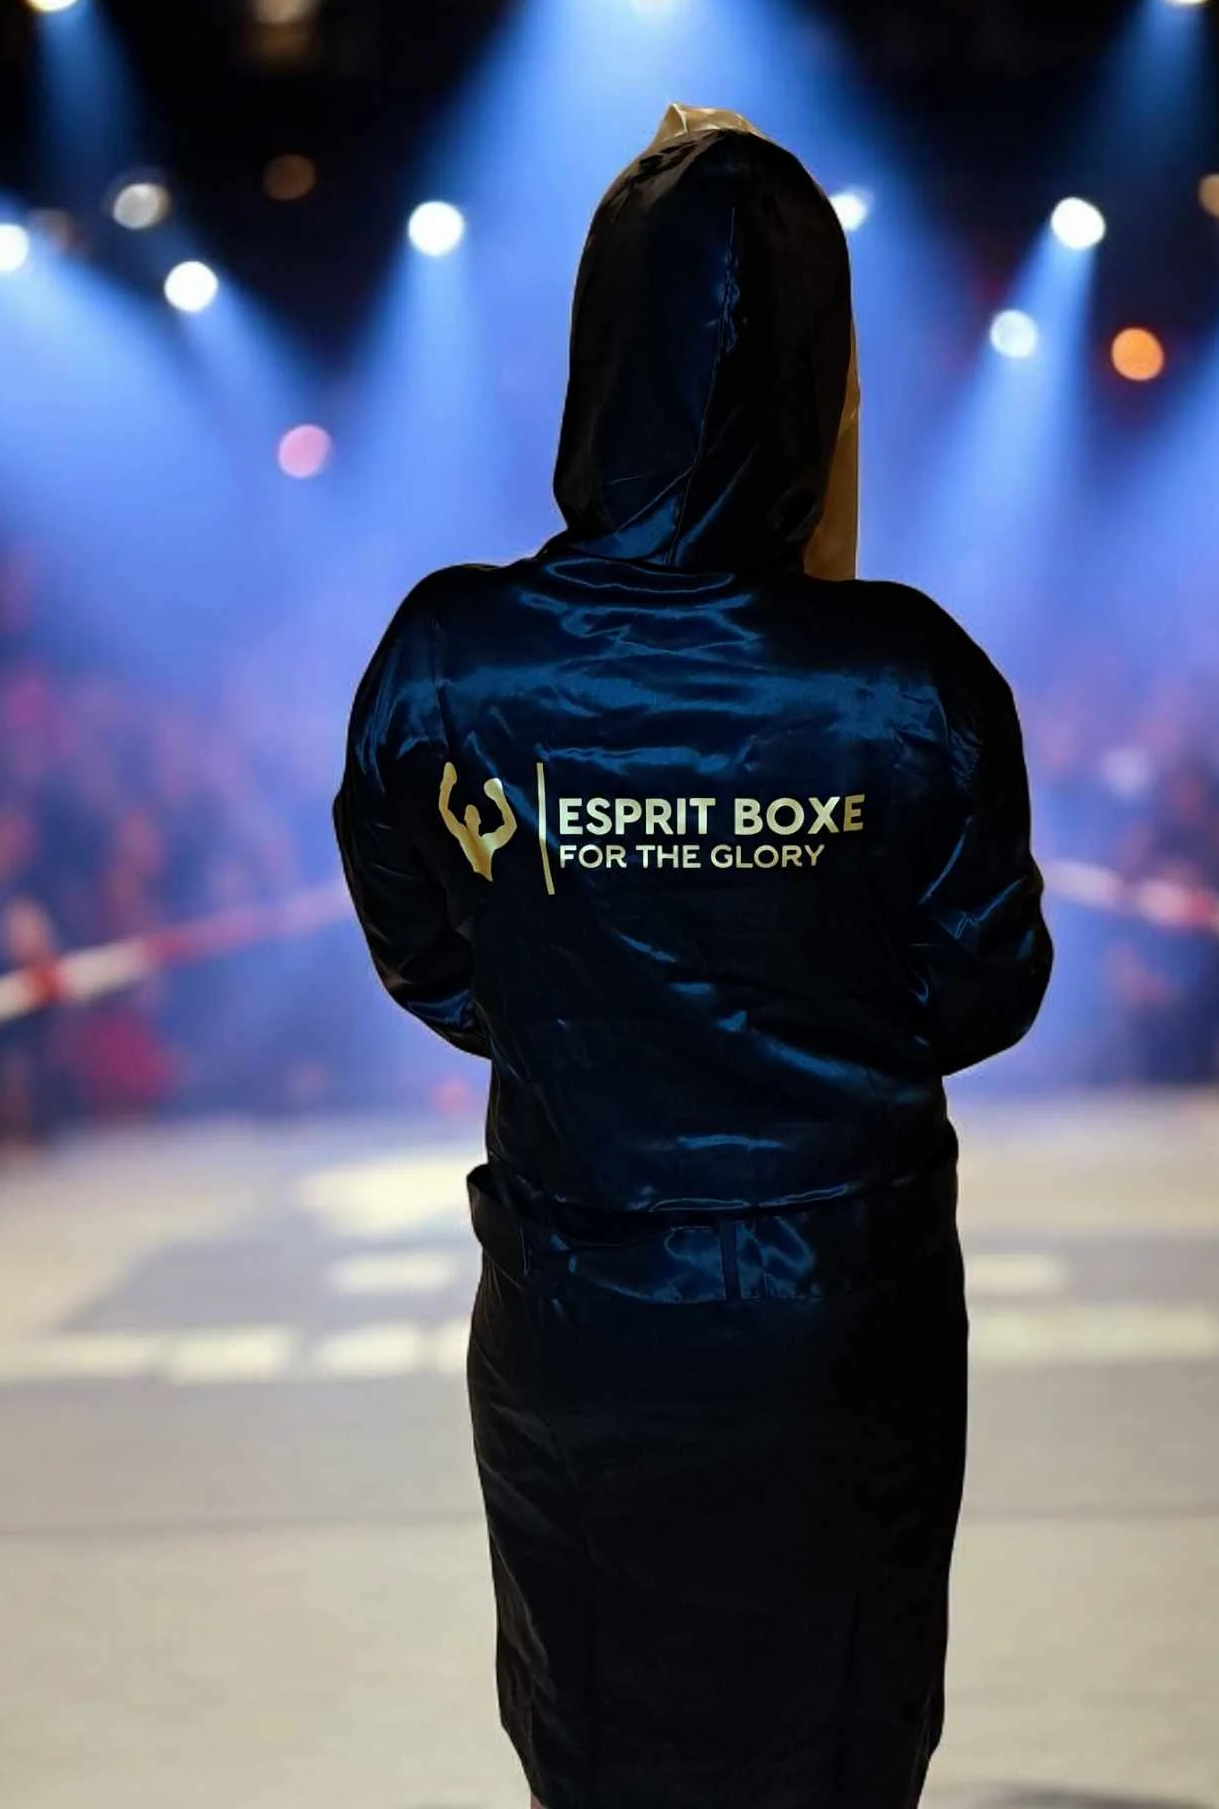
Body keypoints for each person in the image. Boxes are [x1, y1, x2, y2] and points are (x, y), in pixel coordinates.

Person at [334, 107, 1051, 1809]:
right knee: (844, 1723)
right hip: (841, 1297)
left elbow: (424, 953)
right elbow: (985, 987)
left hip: (584, 1293)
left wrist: (597, 1015)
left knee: (599, 1727)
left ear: (600, 353)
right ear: (821, 371)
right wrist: (799, 1017)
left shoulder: (454, 659)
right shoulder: (905, 678)